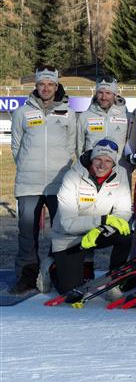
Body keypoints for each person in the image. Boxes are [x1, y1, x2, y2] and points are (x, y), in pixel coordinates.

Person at [9, 66, 77, 294]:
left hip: (59, 183)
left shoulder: (68, 112)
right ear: (36, 87)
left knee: (61, 231)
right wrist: (29, 166)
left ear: (56, 86)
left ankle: (54, 272)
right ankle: (27, 276)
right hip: (29, 183)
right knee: (27, 232)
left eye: (50, 84)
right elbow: (16, 146)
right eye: (41, 84)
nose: (46, 88)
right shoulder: (22, 112)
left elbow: (73, 145)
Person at [48, 139, 132, 300]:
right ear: (91, 159)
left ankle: (114, 281)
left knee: (125, 235)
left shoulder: (120, 173)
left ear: (114, 163)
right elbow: (67, 223)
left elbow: (123, 211)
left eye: (108, 161)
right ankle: (51, 265)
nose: (102, 165)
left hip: (97, 231)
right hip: (69, 236)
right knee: (72, 295)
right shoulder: (72, 176)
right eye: (98, 159)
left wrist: (101, 229)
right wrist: (102, 220)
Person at [77, 76, 132, 165]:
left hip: (119, 170)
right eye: (100, 93)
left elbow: (131, 146)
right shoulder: (84, 116)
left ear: (115, 94)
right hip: (92, 170)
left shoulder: (127, 117)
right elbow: (79, 147)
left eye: (108, 93)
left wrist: (127, 167)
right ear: (96, 94)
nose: (104, 97)